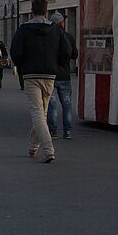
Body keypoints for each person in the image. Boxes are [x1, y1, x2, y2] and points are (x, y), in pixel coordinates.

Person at [10, 0, 71, 163]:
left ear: (31, 9)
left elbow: (15, 51)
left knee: (37, 111)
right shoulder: (56, 30)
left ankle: (48, 149)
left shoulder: (23, 29)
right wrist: (56, 64)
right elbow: (66, 51)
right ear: (46, 10)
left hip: (31, 74)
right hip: (50, 75)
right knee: (41, 112)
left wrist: (22, 66)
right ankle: (32, 147)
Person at [47, 12, 78, 140]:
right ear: (61, 23)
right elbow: (74, 55)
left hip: (51, 74)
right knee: (66, 104)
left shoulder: (48, 37)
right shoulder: (69, 37)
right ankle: (67, 131)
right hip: (65, 75)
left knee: (52, 104)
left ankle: (53, 131)